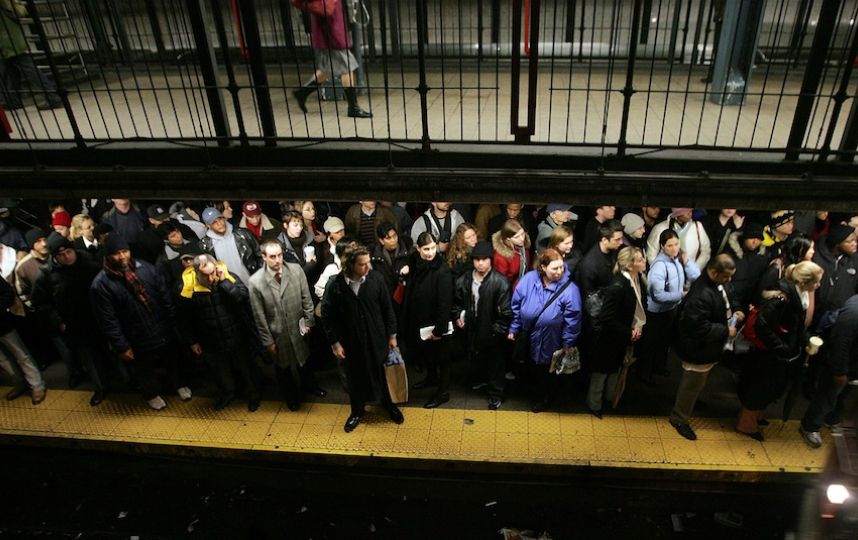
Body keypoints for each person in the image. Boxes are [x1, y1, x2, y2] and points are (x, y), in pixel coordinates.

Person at [90, 233, 191, 410]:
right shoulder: (101, 284)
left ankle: (179, 384)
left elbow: (164, 294)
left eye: (124, 251)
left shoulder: (146, 268)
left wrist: (173, 322)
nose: (122, 257)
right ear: (108, 256)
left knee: (172, 359)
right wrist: (122, 346)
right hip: (135, 333)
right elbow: (108, 319)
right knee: (145, 368)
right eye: (116, 253)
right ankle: (151, 393)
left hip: (160, 325)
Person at [736, 261, 823, 441]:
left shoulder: (797, 294)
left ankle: (756, 417)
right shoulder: (782, 298)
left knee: (768, 388)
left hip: (779, 353)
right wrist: (780, 347)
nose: (818, 285)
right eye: (816, 282)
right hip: (769, 355)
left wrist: (802, 341)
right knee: (759, 389)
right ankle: (746, 424)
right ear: (805, 282)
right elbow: (762, 325)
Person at [321, 242, 403, 432]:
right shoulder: (336, 286)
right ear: (350, 265)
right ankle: (357, 411)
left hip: (377, 339)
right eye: (362, 264)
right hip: (351, 342)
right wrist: (335, 342)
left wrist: (392, 335)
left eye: (368, 262)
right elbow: (328, 316)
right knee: (355, 377)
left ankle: (389, 405)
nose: (368, 267)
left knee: (383, 375)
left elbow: (388, 309)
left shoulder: (376, 280)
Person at [669, 254, 741, 441]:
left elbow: (728, 296)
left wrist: (735, 310)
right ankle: (679, 418)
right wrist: (726, 331)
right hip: (698, 349)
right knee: (691, 384)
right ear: (713, 271)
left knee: (696, 384)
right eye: (726, 276)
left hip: (708, 348)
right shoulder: (701, 294)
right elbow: (698, 328)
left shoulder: (716, 283)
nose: (728, 280)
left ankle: (688, 404)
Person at [31, 233, 108, 406]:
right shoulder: (47, 275)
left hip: (98, 317)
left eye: (69, 252)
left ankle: (123, 380)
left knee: (108, 351)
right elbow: (41, 304)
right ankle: (100, 387)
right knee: (88, 357)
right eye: (61, 255)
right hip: (74, 324)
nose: (67, 257)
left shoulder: (90, 263)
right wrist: (59, 322)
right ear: (55, 257)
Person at [178, 254, 261, 412]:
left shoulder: (228, 277)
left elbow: (242, 297)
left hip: (235, 333)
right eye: (205, 275)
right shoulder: (188, 287)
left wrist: (224, 281)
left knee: (246, 368)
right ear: (196, 272)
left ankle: (253, 395)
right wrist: (192, 341)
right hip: (210, 339)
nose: (210, 278)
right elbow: (185, 318)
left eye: (212, 273)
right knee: (221, 371)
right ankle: (227, 394)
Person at [248, 241, 325, 411]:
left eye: (280, 255)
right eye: (272, 257)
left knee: (304, 360)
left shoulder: (296, 270)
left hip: (298, 326)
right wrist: (268, 342)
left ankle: (310, 386)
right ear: (264, 257)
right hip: (278, 332)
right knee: (283, 368)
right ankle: (291, 397)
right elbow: (259, 316)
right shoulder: (256, 282)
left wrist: (309, 321)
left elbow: (306, 298)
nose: (277, 260)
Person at [508, 248, 582, 412]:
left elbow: (573, 320)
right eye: (554, 268)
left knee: (547, 372)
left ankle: (543, 398)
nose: (559, 272)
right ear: (543, 267)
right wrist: (514, 327)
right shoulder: (528, 280)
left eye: (561, 267)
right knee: (529, 366)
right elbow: (516, 305)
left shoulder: (570, 290)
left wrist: (567, 343)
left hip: (552, 341)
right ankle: (532, 392)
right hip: (529, 336)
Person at [587, 247, 647, 417]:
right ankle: (595, 404)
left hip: (620, 336)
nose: (644, 261)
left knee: (613, 369)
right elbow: (607, 318)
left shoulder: (634, 279)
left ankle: (607, 400)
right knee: (602, 373)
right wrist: (629, 332)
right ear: (629, 265)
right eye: (639, 260)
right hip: (610, 338)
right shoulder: (618, 286)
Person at [453, 241, 513, 410]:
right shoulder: (464, 280)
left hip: (491, 332)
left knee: (496, 365)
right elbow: (457, 304)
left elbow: (507, 313)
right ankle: (480, 381)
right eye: (477, 259)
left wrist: (495, 332)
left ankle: (495, 395)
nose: (480, 263)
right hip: (472, 330)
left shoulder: (500, 282)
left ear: (491, 260)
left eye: (484, 259)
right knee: (477, 358)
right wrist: (459, 317)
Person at [638, 230, 701, 384]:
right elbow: (657, 296)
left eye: (676, 244)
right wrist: (681, 296)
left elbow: (695, 276)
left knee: (664, 341)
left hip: (671, 309)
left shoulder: (678, 259)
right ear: (662, 246)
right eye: (670, 245)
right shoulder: (659, 266)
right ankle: (644, 375)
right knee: (650, 344)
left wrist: (687, 262)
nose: (674, 248)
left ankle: (658, 367)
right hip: (656, 313)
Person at [290, 0, 372, 118]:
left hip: (329, 25)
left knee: (327, 68)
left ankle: (302, 92)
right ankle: (353, 107)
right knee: (348, 65)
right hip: (330, 27)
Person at [401, 232, 453, 409]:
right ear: (418, 249)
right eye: (426, 249)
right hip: (419, 320)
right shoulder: (415, 262)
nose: (431, 253)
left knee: (442, 359)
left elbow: (444, 303)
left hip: (435, 323)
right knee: (428, 356)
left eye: (433, 248)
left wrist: (439, 330)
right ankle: (431, 378)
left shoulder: (442, 270)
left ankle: (443, 392)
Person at [800, 293, 858, 448]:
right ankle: (810, 426)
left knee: (843, 396)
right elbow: (841, 342)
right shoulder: (854, 311)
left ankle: (832, 419)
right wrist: (839, 371)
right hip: (842, 364)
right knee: (827, 396)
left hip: (853, 365)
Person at [0, 0, 62, 110]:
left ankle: (52, 96)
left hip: (6, 35)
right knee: (11, 68)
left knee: (24, 67)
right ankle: (12, 100)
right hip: (10, 33)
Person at [0, 273, 45, 404]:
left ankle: (37, 386)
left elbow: (7, 293)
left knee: (21, 355)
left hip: (2, 324)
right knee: (3, 360)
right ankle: (19, 383)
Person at [199, 207, 261, 285]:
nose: (220, 224)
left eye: (220, 219)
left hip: (254, 282)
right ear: (208, 225)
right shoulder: (206, 245)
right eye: (214, 222)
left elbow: (260, 255)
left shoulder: (243, 233)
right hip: (231, 289)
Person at [812, 223, 858, 330]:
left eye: (855, 240)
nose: (854, 244)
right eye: (849, 241)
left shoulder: (855, 260)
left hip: (842, 316)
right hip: (817, 314)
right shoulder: (816, 257)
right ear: (837, 244)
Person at [646, 208, 711, 271]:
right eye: (686, 212)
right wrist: (661, 273)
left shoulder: (697, 226)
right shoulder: (660, 228)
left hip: (690, 274)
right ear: (677, 214)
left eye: (690, 211)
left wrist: (695, 269)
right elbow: (651, 254)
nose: (690, 214)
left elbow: (706, 251)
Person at [576, 220, 624, 300]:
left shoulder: (613, 250)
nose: (621, 242)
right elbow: (590, 298)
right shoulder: (589, 265)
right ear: (605, 240)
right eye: (617, 239)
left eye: (621, 238)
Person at [370, 221, 410, 298]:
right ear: (381, 241)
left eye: (395, 236)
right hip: (385, 296)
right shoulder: (374, 257)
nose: (393, 240)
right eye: (388, 238)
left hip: (406, 296)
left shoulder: (408, 251)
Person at [491, 219, 531, 289]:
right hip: (510, 290)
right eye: (516, 237)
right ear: (508, 239)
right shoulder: (500, 257)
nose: (522, 239)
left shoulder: (523, 245)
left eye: (522, 234)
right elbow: (500, 283)